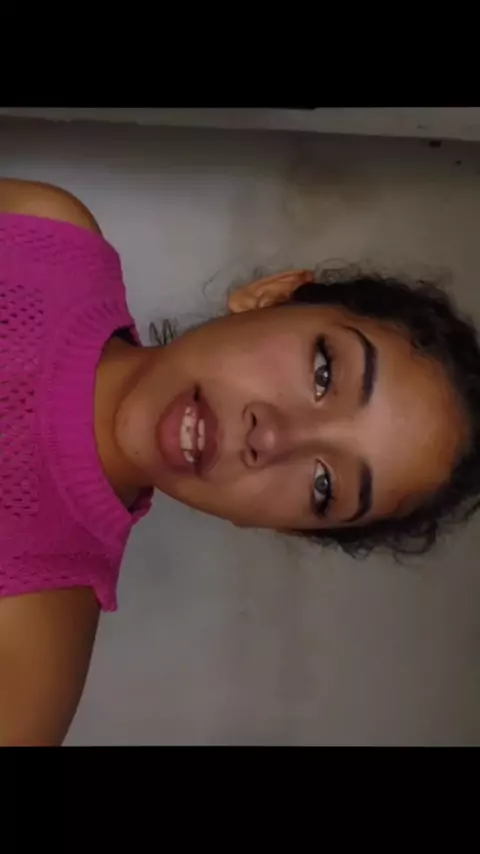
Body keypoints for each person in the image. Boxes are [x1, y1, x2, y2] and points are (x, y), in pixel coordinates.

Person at [1, 177, 480, 746]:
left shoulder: (27, 674)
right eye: (324, 372)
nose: (273, 438)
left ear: (282, 526)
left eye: (324, 486)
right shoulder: (40, 231)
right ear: (270, 296)